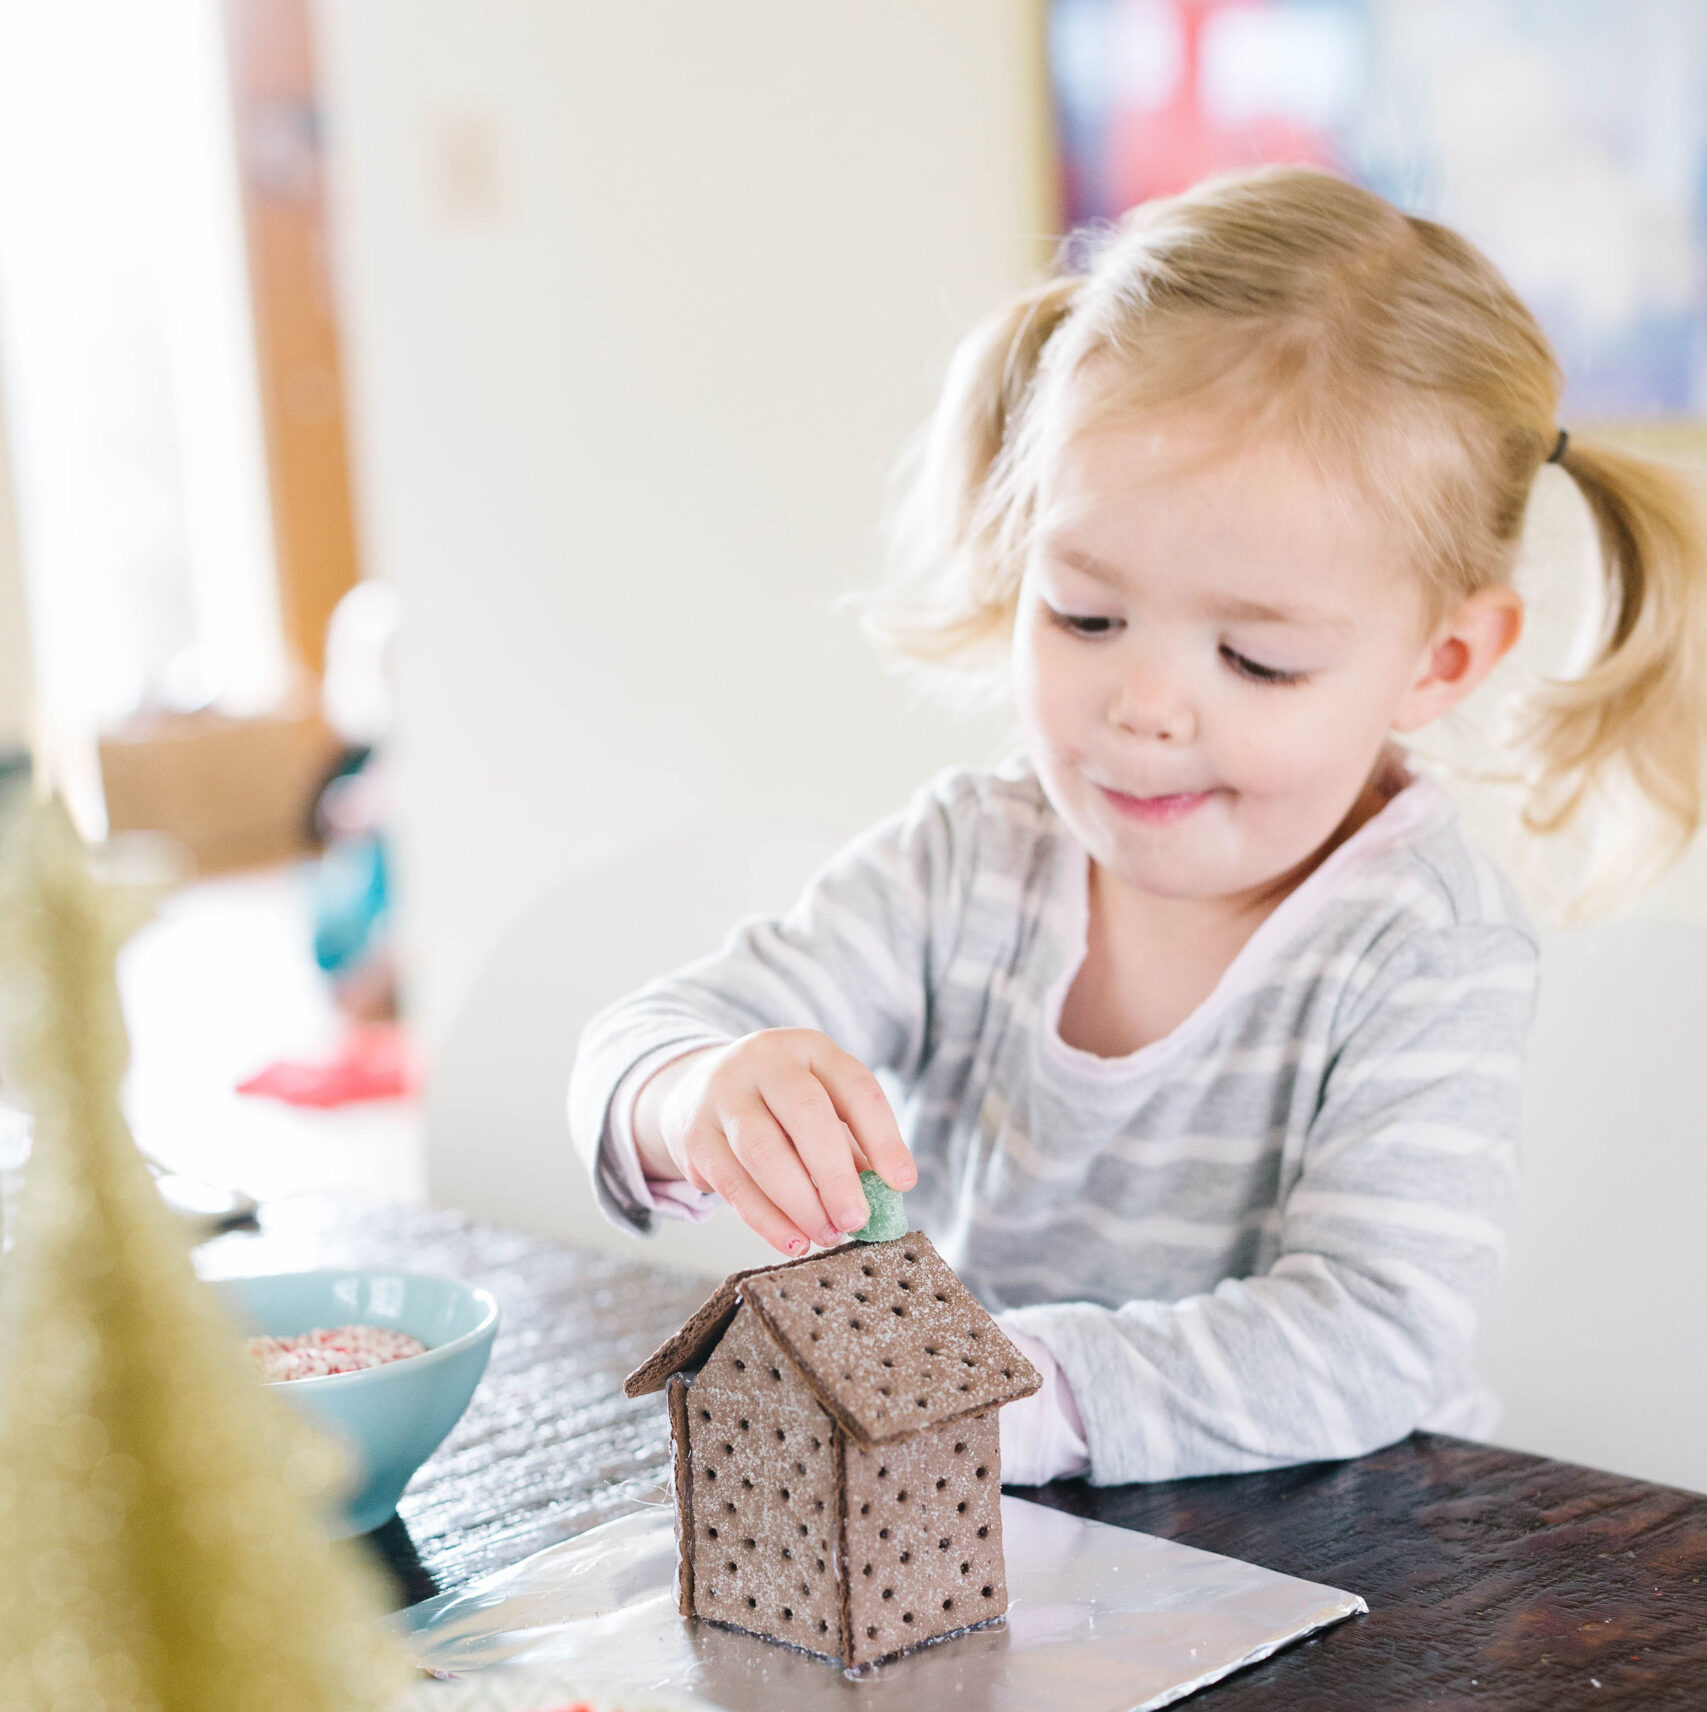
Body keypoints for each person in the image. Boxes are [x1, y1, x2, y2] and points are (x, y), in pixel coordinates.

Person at [569, 167, 1707, 1487]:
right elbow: (641, 1042)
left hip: (1343, 1571)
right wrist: (692, 1093)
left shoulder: (1422, 943)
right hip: (998, 1540)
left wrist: (1005, 1397)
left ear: (1441, 660)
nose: (1145, 710)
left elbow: (1370, 1338)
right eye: (1085, 617)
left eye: (1257, 658)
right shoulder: (972, 861)